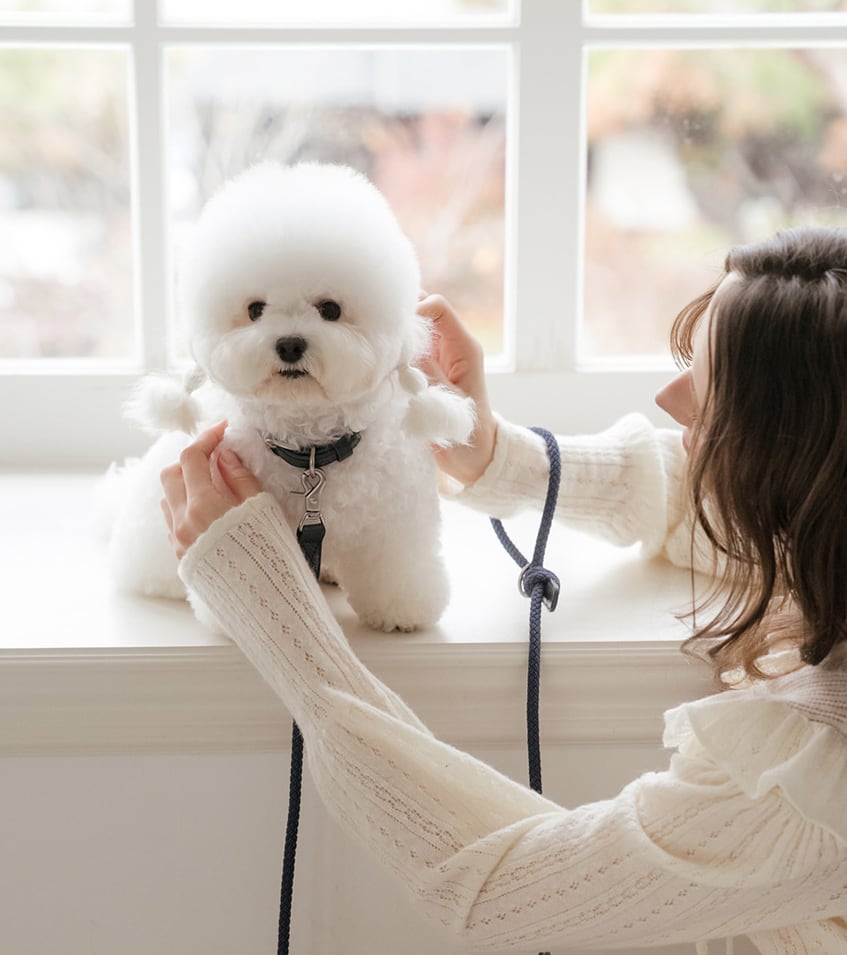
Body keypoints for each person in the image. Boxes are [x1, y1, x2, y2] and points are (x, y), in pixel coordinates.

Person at [160, 228, 847, 954]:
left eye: (710, 388)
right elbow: (701, 505)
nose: (667, 397)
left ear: (791, 456)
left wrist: (268, 603)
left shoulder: (808, 778)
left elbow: (501, 890)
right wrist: (495, 455)